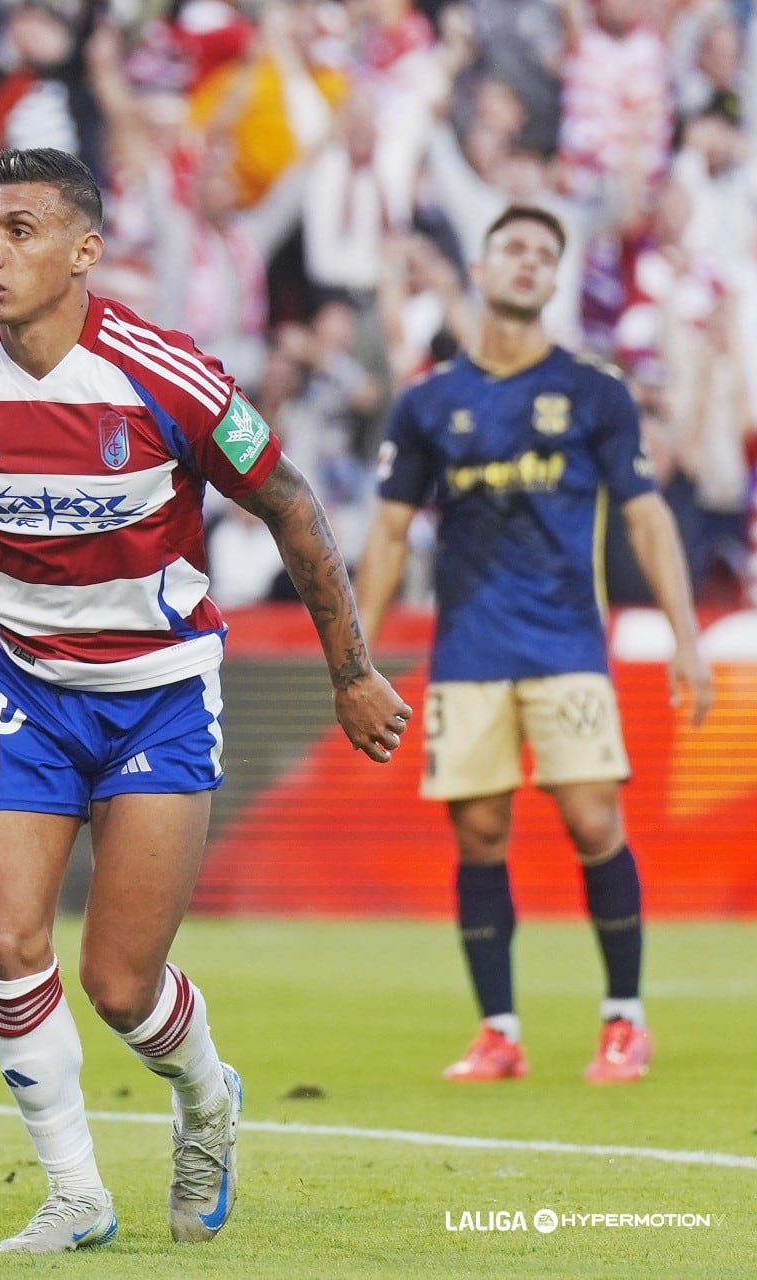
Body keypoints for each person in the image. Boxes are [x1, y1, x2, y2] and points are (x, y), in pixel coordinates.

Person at [0, 148, 409, 1253]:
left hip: (157, 690)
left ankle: (205, 1098)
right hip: (20, 683)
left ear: (84, 250)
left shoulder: (166, 375)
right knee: (11, 941)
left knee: (118, 981)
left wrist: (350, 670)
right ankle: (75, 1189)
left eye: (18, 230)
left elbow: (291, 506)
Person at [355, 205, 713, 1086]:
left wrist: (686, 638)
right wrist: (355, 658)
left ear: (554, 281)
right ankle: (498, 1032)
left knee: (595, 819)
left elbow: (647, 517)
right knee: (479, 836)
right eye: (511, 247)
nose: (527, 262)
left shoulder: (595, 392)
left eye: (543, 254)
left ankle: (624, 1020)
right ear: (480, 270)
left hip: (566, 644)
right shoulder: (429, 402)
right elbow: (390, 534)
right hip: (469, 648)